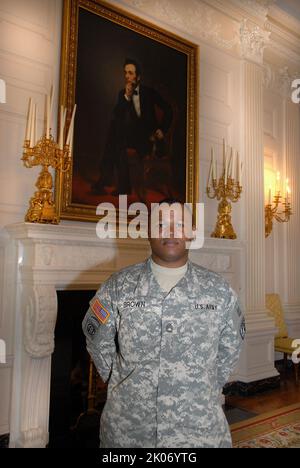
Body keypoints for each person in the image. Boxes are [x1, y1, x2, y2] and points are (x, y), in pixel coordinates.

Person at [82, 199, 245, 448]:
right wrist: (123, 381)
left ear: (192, 232)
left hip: (198, 431)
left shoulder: (218, 289)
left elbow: (232, 344)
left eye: (179, 224)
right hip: (130, 432)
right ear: (148, 232)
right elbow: (96, 337)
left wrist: (204, 383)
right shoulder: (118, 286)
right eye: (161, 224)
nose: (170, 232)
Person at [92, 58, 173, 197]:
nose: (126, 76)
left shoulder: (149, 92)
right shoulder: (122, 94)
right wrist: (127, 97)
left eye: (130, 73)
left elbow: (169, 110)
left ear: (138, 77)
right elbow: (117, 115)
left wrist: (162, 130)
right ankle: (120, 185)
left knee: (115, 136)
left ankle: (110, 181)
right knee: (115, 131)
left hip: (150, 138)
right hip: (134, 137)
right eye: (125, 73)